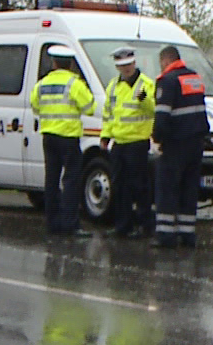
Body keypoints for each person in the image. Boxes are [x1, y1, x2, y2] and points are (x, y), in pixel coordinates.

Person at [29, 45, 95, 237]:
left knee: (51, 179)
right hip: (68, 137)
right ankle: (70, 224)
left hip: (49, 137)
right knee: (71, 181)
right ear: (71, 64)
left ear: (54, 63)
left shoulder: (42, 83)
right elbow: (90, 107)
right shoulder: (74, 83)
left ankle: (52, 223)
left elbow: (35, 107)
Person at [150, 44, 208, 248]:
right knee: (189, 188)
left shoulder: (166, 81)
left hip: (175, 143)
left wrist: (158, 139)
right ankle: (187, 234)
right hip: (196, 142)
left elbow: (162, 116)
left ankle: (166, 235)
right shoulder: (194, 78)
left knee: (167, 188)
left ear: (166, 61)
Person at [99, 46, 157, 238]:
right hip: (119, 143)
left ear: (134, 62)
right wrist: (105, 136)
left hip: (138, 143)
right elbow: (108, 115)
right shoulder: (113, 87)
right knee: (119, 186)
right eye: (122, 65)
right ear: (117, 67)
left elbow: (153, 110)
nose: (126, 68)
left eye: (129, 64)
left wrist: (143, 98)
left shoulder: (146, 84)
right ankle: (123, 225)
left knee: (140, 186)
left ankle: (144, 225)